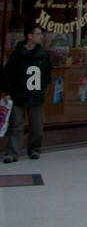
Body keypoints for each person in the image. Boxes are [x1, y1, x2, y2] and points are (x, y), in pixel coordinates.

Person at [2, 24, 52, 162]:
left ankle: (34, 149)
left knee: (37, 125)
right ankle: (12, 152)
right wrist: (7, 92)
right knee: (16, 124)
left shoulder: (43, 55)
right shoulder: (17, 55)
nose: (40, 36)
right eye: (38, 34)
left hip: (36, 96)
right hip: (18, 95)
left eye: (41, 34)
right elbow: (8, 74)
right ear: (29, 36)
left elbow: (47, 74)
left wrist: (43, 89)